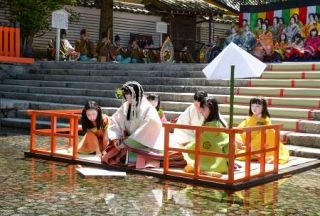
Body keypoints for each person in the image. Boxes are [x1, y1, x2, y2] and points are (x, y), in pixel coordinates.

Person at [103, 81, 162, 165]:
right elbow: (115, 121)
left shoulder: (148, 108)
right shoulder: (125, 106)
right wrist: (116, 137)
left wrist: (130, 141)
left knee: (127, 156)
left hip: (145, 143)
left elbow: (152, 123)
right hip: (127, 141)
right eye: (127, 95)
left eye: (131, 95)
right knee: (109, 154)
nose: (128, 98)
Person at [183, 98, 229, 176]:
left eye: (204, 109)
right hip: (221, 155)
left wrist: (187, 147)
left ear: (211, 109)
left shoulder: (212, 125)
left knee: (185, 153)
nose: (201, 111)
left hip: (216, 156)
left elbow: (202, 140)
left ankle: (208, 169)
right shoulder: (215, 122)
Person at [236, 97, 289, 164]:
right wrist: (239, 140)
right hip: (247, 144)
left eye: (257, 106)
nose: (254, 108)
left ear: (263, 107)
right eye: (252, 106)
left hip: (259, 146)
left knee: (267, 131)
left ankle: (256, 152)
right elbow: (240, 129)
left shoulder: (265, 120)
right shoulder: (249, 119)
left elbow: (267, 134)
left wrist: (251, 146)